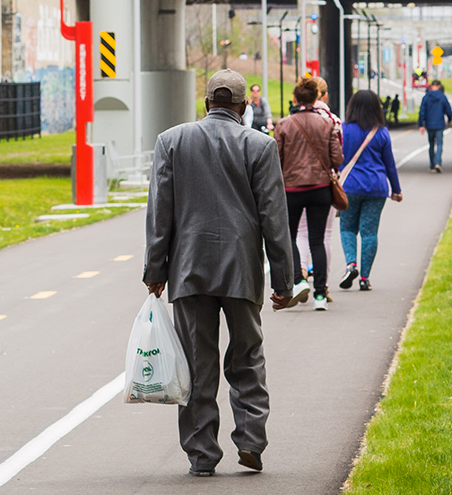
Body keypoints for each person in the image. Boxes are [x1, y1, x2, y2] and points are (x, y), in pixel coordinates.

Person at [144, 69, 300, 477]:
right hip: (241, 271)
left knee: (197, 363)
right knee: (247, 356)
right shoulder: (260, 146)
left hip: (189, 270)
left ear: (207, 103)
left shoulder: (171, 141)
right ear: (244, 106)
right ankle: (250, 442)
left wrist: (155, 270)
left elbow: (160, 214)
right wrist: (284, 281)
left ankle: (202, 455)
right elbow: (274, 219)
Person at [276, 76, 342, 310]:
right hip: (320, 189)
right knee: (318, 240)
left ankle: (298, 279)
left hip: (292, 189)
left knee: (290, 236)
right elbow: (337, 158)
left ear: (295, 98)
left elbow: (278, 160)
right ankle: (321, 295)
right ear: (316, 98)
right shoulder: (327, 124)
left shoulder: (284, 124)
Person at [338, 90, 403, 291]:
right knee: (370, 232)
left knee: (347, 227)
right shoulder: (381, 132)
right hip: (376, 187)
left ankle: (351, 264)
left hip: (350, 185)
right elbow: (390, 164)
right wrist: (396, 189)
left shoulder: (344, 129)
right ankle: (365, 277)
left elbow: (337, 156)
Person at [417, 80, 452, 173]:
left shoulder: (426, 97)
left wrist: (421, 124)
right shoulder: (442, 97)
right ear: (439, 86)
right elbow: (448, 109)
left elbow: (422, 112)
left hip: (429, 124)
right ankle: (438, 163)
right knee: (440, 144)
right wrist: (449, 119)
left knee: (431, 144)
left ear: (431, 86)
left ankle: (432, 164)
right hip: (440, 124)